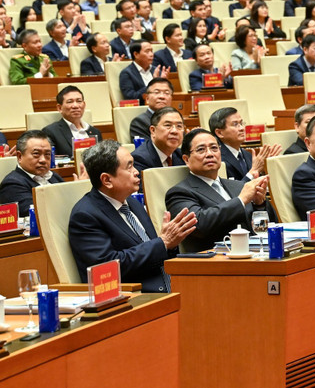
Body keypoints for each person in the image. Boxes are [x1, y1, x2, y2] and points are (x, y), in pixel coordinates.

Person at [69, 140, 197, 293]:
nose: (136, 171)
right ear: (107, 180)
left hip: (169, 283)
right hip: (135, 296)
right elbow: (106, 268)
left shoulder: (132, 203)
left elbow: (154, 250)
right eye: (129, 167)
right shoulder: (85, 215)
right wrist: (163, 242)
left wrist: (170, 244)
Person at [165, 128, 274, 253]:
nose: (210, 154)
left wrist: (259, 206)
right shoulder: (179, 192)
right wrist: (241, 200)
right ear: (186, 159)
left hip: (255, 254)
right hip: (215, 260)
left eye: (214, 148)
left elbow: (272, 224)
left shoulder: (237, 186)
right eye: (201, 150)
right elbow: (199, 225)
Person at [0, 130, 62, 217]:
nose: (43, 160)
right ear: (19, 156)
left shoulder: (54, 176)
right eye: (36, 154)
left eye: (47, 154)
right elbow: (37, 214)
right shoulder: (12, 184)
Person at [43, 86, 103, 156]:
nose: (75, 106)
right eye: (70, 102)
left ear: (84, 105)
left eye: (79, 101)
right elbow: (52, 161)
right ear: (59, 108)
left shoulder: (95, 132)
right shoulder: (51, 132)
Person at [131, 107, 185, 174]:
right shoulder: (139, 159)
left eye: (179, 126)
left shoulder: (182, 156)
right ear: (153, 130)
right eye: (168, 125)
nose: (174, 131)